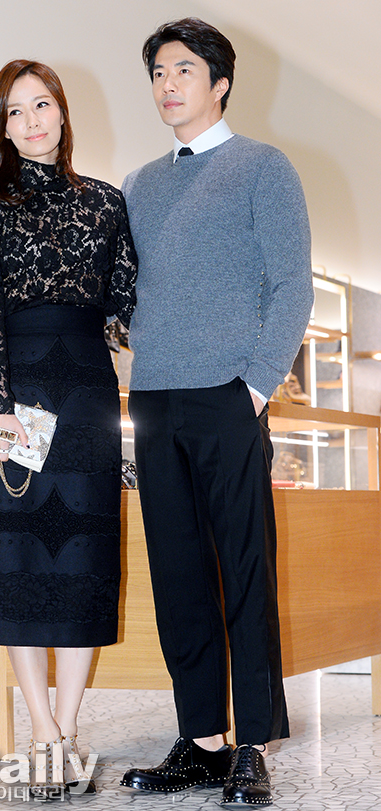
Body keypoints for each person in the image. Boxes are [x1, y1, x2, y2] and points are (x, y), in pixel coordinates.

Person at [120, 18, 313, 807]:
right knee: (178, 574)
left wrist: (256, 387)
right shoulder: (138, 184)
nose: (168, 84)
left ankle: (253, 744)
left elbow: (292, 285)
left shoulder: (264, 167)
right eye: (158, 72)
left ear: (220, 82)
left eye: (184, 70)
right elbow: (127, 293)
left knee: (245, 569)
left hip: (229, 397)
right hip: (154, 400)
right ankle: (201, 740)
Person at [0, 59, 137, 795]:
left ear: (63, 112)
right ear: (1, 128)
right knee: (18, 565)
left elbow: (126, 311)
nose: (32, 121)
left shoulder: (108, 202)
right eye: (15, 111)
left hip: (90, 396)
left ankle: (67, 727)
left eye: (42, 105)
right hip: (14, 396)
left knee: (81, 563)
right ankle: (44, 734)